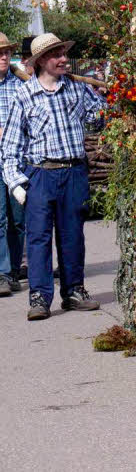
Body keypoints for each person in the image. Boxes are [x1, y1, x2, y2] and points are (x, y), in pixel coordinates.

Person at [1, 34, 106, 320]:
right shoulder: (24, 96)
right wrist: (16, 183)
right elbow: (9, 148)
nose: (63, 59)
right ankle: (39, 297)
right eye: (57, 54)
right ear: (41, 62)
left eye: (63, 53)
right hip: (40, 175)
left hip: (74, 172)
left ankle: (73, 291)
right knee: (38, 238)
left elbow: (97, 118)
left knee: (73, 235)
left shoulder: (75, 89)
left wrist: (105, 103)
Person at [0, 33, 25, 296]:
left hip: (16, 162)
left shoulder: (19, 85)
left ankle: (15, 270)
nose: (4, 56)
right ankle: (3, 272)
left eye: (6, 52)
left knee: (19, 219)